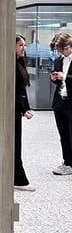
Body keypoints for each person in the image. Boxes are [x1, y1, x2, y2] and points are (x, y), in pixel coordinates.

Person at [14, 35, 35, 191]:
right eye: (20, 45)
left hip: (16, 111)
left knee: (17, 145)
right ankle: (19, 181)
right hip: (12, 111)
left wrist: (26, 108)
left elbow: (21, 90)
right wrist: (23, 109)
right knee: (14, 146)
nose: (24, 48)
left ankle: (18, 179)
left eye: (24, 45)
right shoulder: (11, 65)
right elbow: (14, 92)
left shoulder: (19, 63)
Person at [50, 32, 72, 175]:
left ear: (69, 45)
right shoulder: (58, 61)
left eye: (61, 49)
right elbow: (59, 81)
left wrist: (66, 77)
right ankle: (67, 163)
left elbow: (67, 78)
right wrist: (55, 78)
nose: (60, 52)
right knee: (63, 134)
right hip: (60, 103)